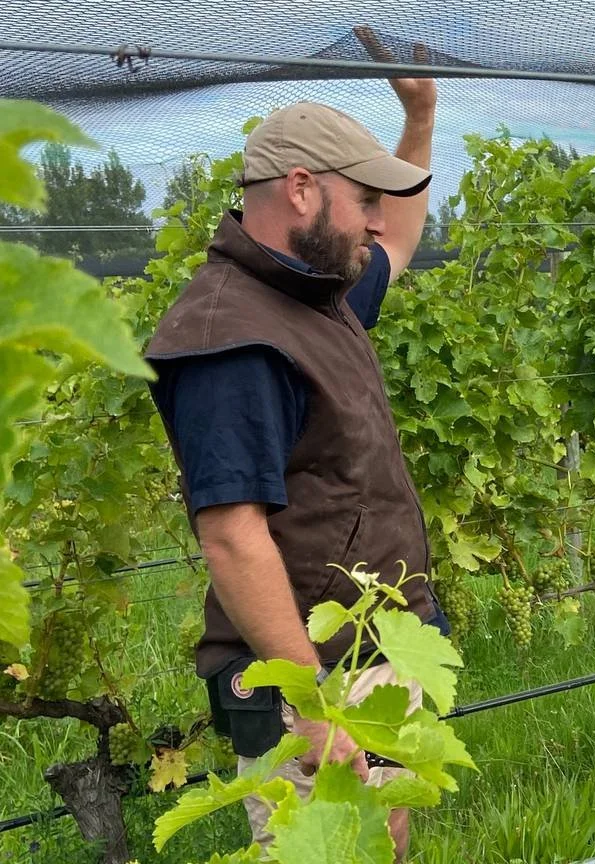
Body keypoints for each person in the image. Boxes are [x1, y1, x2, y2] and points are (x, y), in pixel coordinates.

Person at [144, 32, 444, 859]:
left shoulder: (315, 296)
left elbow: (400, 244)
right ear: (303, 190)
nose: (375, 224)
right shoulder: (234, 338)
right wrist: (310, 704)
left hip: (370, 647)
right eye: (362, 201)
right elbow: (231, 533)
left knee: (381, 838)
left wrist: (418, 115)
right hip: (307, 676)